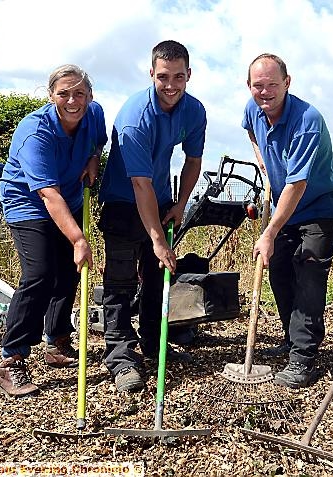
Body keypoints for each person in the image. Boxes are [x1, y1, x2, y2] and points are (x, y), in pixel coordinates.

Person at [98, 40, 206, 393]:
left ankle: (154, 344)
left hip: (159, 199)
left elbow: (193, 161)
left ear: (189, 74)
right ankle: (120, 356)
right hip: (122, 200)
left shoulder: (194, 111)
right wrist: (159, 240)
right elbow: (139, 185)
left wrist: (179, 203)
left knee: (158, 278)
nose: (171, 84)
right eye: (163, 77)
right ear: (151, 74)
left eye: (178, 76)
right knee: (121, 282)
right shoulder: (135, 118)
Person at [0, 64, 107, 398]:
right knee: (41, 273)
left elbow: (97, 143)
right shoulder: (36, 132)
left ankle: (56, 340)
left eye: (79, 93)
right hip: (28, 201)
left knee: (68, 274)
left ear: (89, 95)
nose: (73, 100)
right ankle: (12, 359)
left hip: (69, 196)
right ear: (51, 96)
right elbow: (48, 194)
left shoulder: (94, 113)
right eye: (64, 94)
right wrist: (78, 238)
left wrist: (92, 159)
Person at [243, 53, 333, 388]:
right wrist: (262, 163)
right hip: (286, 207)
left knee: (308, 274)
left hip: (318, 206)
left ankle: (302, 357)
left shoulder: (307, 120)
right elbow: (252, 133)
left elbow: (297, 184)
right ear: (249, 87)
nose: (266, 91)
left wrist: (269, 231)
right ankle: (292, 337)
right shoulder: (251, 110)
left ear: (287, 83)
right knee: (281, 273)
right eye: (259, 85)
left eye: (273, 84)